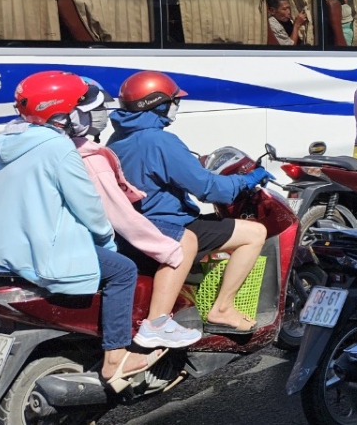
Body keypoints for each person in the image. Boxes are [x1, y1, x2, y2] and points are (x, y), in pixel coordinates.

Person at [0, 71, 165, 390]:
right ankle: (116, 356)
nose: (88, 116)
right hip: (35, 250)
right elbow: (90, 209)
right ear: (62, 114)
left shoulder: (7, 140)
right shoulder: (58, 149)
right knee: (124, 270)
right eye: (83, 109)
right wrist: (107, 243)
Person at [108, 71, 271, 333]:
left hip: (136, 227)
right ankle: (223, 308)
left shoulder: (118, 138)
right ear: (158, 103)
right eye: (174, 101)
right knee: (255, 233)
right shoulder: (159, 140)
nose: (176, 107)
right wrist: (247, 180)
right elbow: (209, 189)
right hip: (167, 224)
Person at [71, 79, 202, 348]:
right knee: (129, 268)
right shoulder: (91, 156)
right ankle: (132, 342)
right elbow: (119, 216)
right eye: (174, 101)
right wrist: (160, 244)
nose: (101, 114)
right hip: (108, 235)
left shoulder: (106, 141)